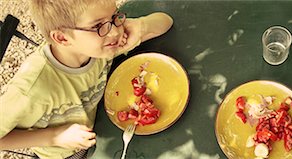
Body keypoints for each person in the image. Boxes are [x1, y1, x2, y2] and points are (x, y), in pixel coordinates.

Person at [0, 0, 173, 158]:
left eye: (114, 16)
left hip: (100, 121)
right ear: (62, 38)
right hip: (66, 153)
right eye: (98, 25)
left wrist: (140, 28)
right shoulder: (30, 90)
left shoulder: (101, 45)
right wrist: (54, 137)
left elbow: (165, 21)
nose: (114, 31)